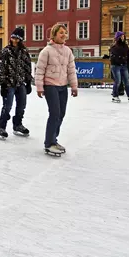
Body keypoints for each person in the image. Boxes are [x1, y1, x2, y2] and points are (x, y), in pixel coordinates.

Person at [34, 24, 78, 157]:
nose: (64, 35)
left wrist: (74, 86)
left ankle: (54, 139)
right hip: (50, 85)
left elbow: (71, 70)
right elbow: (39, 70)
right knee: (55, 113)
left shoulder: (68, 51)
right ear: (54, 35)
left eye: (65, 32)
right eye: (61, 33)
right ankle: (49, 143)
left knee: (61, 113)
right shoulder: (46, 51)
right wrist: (39, 87)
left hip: (63, 86)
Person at [0, 27, 32, 140]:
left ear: (21, 40)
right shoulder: (5, 51)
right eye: (13, 38)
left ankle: (17, 125)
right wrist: (2, 85)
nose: (14, 40)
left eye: (17, 39)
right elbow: (0, 68)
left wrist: (29, 82)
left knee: (22, 105)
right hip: (8, 83)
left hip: (20, 82)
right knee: (7, 106)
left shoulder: (24, 52)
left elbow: (27, 67)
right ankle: (1, 127)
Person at [109, 31, 129, 103]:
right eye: (121, 36)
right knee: (118, 81)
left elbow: (128, 56)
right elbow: (113, 57)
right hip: (116, 66)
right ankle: (115, 96)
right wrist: (118, 60)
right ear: (118, 38)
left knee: (127, 82)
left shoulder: (125, 46)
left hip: (124, 65)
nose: (123, 37)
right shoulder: (114, 47)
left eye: (123, 36)